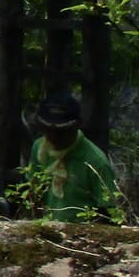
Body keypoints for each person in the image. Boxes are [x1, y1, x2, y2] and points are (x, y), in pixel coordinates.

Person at [29, 92, 118, 222]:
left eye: (61, 132)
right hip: (45, 231)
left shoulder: (96, 162)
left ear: (76, 126)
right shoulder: (39, 148)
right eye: (48, 130)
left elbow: (110, 214)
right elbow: (32, 193)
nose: (53, 137)